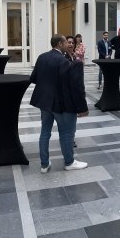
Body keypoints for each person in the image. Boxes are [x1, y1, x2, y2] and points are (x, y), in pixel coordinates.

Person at [30, 34, 88, 173]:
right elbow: (75, 87)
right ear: (60, 44)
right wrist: (82, 108)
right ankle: (69, 162)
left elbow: (33, 78)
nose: (68, 45)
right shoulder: (64, 61)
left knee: (45, 132)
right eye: (65, 42)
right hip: (61, 105)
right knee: (66, 133)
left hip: (44, 103)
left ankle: (44, 165)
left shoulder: (42, 57)